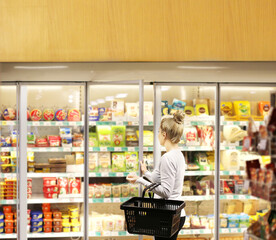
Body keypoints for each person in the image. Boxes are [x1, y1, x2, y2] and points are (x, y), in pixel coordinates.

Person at [127, 111, 186, 240]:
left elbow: (166, 191)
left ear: (164, 135)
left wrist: (141, 181)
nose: (157, 135)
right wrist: (146, 173)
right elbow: (162, 179)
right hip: (175, 214)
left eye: (159, 132)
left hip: (167, 216)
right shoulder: (178, 154)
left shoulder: (167, 158)